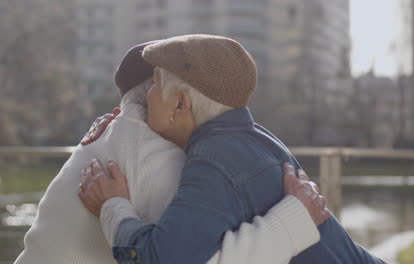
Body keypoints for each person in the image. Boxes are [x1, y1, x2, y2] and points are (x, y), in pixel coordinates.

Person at [79, 34, 386, 264]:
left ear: (180, 105)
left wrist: (112, 207)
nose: (146, 96)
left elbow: (160, 259)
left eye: (155, 85)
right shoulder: (250, 140)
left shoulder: (215, 159)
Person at [14, 40, 328, 264]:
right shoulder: (157, 157)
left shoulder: (115, 135)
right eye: (153, 84)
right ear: (178, 103)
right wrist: (294, 221)